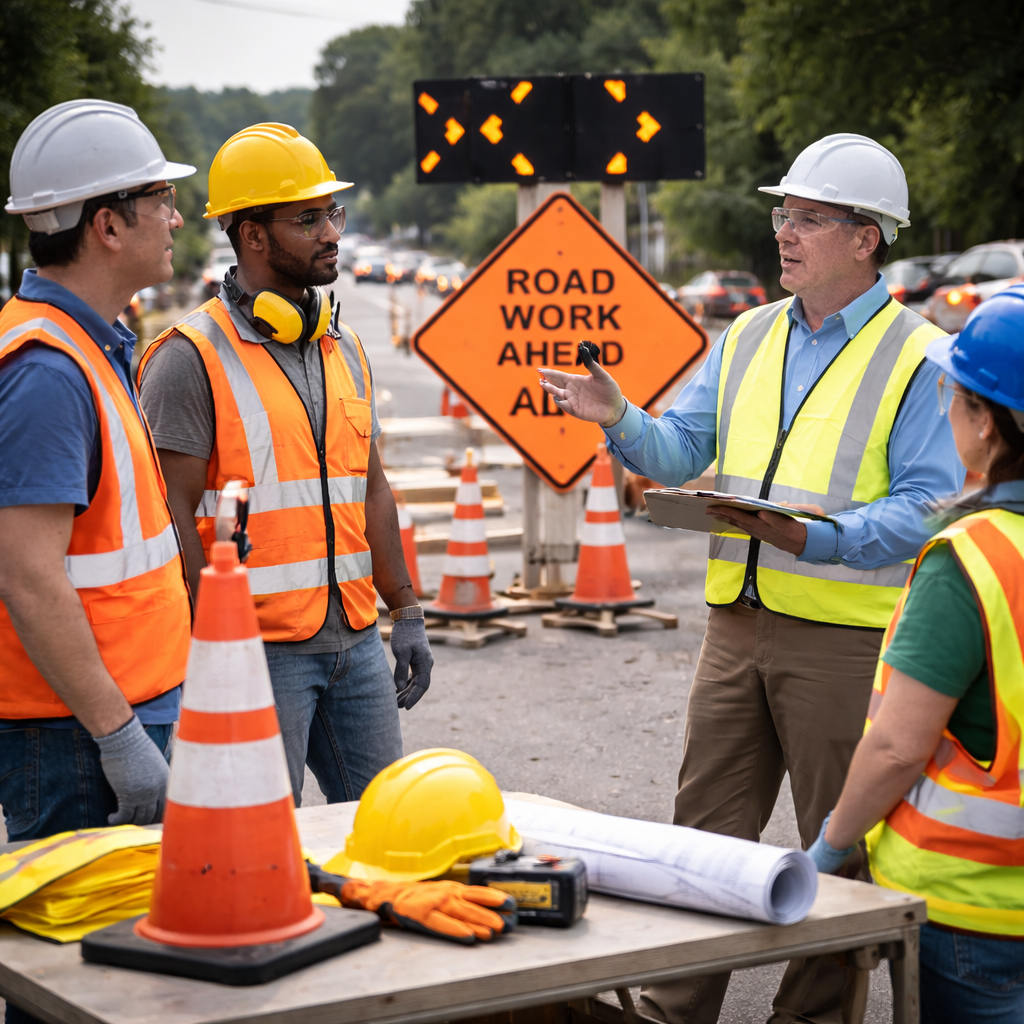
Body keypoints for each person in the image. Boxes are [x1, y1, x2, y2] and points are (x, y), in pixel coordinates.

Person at [539, 134, 963, 1024]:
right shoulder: (751, 335)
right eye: (784, 214)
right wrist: (618, 416)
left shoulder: (919, 356)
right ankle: (673, 1008)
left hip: (848, 640)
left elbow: (931, 505)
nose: (785, 232)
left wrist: (817, 538)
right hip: (736, 626)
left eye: (808, 218)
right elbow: (683, 450)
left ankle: (809, 1019)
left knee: (835, 852)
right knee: (699, 836)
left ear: (866, 238)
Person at [138, 123, 432, 807]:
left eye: (334, 212)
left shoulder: (344, 345)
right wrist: (212, 651)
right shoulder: (190, 358)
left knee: (385, 835)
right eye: (308, 219)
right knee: (263, 849)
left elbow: (372, 485)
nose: (332, 232)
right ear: (253, 237)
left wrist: (406, 608)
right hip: (258, 652)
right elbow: (169, 514)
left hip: (356, 640)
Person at [0, 99, 195, 1022]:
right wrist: (121, 739)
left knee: (121, 989)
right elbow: (27, 574)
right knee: (72, 993)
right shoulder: (47, 371)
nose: (178, 217)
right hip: (77, 738)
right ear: (107, 224)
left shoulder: (90, 348)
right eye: (161, 198)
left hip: (107, 721)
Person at [809, 288, 1024, 1024]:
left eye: (952, 394)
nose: (946, 409)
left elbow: (899, 745)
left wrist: (831, 847)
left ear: (986, 423)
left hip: (981, 911)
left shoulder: (973, 559)